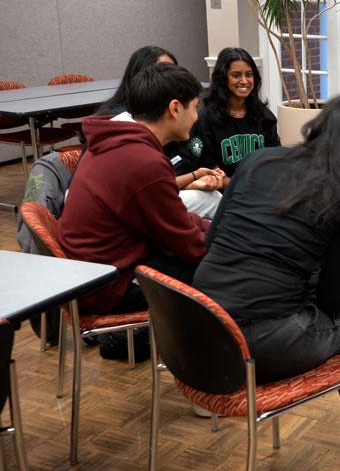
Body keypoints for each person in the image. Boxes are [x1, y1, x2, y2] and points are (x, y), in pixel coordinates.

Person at [192, 94, 340, 470]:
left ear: (316, 128)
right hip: (257, 346)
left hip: (199, 331)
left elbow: (212, 242)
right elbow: (335, 297)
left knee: (319, 292)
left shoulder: (257, 162)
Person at [58, 63, 208, 317]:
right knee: (223, 267)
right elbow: (187, 244)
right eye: (194, 108)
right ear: (175, 109)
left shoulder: (116, 141)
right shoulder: (144, 162)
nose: (196, 117)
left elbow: (173, 219)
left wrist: (213, 227)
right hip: (107, 287)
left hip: (92, 273)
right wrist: (231, 240)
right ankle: (205, 351)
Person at [99, 45, 224, 219]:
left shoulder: (124, 131)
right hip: (117, 237)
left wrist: (193, 178)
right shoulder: (135, 148)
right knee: (212, 203)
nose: (197, 117)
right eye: (163, 72)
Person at [178, 47, 280, 181]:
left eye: (249, 75)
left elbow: (274, 159)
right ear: (223, 78)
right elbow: (205, 168)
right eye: (236, 75)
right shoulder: (204, 119)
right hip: (220, 194)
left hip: (260, 188)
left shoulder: (264, 116)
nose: (244, 81)